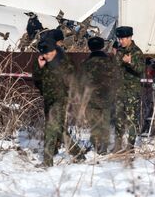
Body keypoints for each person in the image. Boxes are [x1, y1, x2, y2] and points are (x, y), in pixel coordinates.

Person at [32, 37, 83, 166]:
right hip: (48, 98)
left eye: (47, 53)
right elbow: (37, 81)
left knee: (50, 127)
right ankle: (78, 153)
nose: (45, 56)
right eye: (43, 53)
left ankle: (47, 161)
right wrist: (40, 67)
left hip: (60, 100)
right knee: (59, 129)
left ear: (54, 50)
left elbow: (73, 81)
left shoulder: (64, 62)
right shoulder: (42, 61)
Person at [80, 36, 119, 154]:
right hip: (108, 97)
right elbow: (117, 78)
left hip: (92, 98)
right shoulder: (110, 62)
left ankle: (97, 146)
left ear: (89, 47)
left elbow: (81, 82)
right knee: (106, 122)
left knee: (94, 123)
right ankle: (104, 146)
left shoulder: (85, 64)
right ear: (102, 46)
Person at [113, 26, 145, 152]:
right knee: (118, 118)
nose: (121, 41)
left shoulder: (136, 52)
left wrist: (130, 62)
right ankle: (117, 146)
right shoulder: (119, 51)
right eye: (120, 39)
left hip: (132, 91)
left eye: (123, 39)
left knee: (132, 119)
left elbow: (141, 70)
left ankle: (130, 147)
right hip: (119, 90)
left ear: (130, 37)